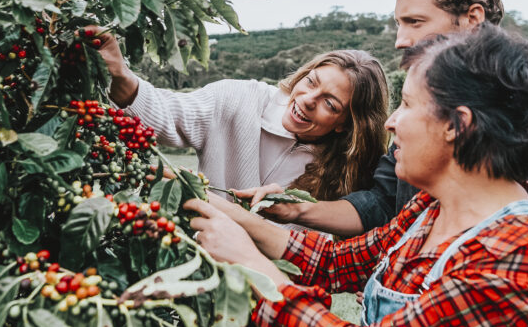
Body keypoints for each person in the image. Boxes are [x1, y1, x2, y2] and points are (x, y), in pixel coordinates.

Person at [235, 0, 528, 327]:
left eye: (414, 21)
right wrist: (254, 215)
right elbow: (344, 252)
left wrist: (251, 264)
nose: (392, 122)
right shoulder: (429, 208)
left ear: (456, 125)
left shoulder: (514, 254)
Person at [92, 32, 390, 204]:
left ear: (345, 124)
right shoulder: (240, 98)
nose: (308, 100)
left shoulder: (345, 173)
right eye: (312, 82)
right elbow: (169, 116)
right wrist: (122, 78)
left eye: (330, 103)